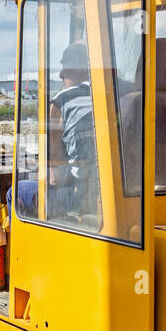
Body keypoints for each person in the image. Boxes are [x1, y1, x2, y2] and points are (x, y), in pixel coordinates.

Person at [46, 43, 98, 219]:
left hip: (80, 196)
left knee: (17, 192)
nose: (61, 74)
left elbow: (56, 177)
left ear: (81, 70)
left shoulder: (60, 102)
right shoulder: (108, 96)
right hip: (107, 194)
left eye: (65, 68)